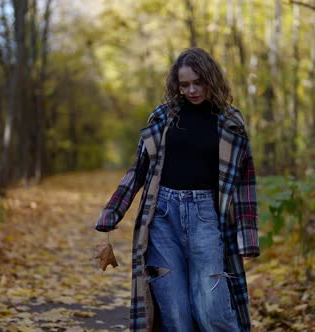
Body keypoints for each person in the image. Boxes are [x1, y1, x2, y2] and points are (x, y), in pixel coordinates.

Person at [95, 47, 259, 332]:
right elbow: (138, 170)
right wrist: (112, 212)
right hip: (163, 218)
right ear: (176, 85)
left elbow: (245, 183)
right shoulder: (162, 117)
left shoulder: (230, 122)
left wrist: (248, 238)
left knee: (212, 311)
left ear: (211, 79)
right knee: (175, 315)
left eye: (199, 82)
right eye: (185, 85)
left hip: (207, 219)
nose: (192, 90)